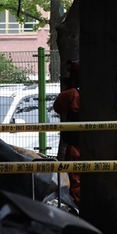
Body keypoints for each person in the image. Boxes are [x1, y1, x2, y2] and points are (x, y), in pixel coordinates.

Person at [53, 60, 81, 205]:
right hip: (89, 143)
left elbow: (58, 107)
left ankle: (79, 208)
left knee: (76, 180)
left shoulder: (72, 94)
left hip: (77, 144)